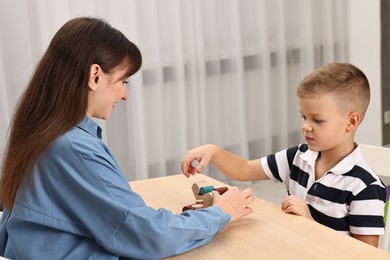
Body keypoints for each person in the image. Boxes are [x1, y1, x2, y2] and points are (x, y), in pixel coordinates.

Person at [0, 17, 254, 259]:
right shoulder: (73, 147)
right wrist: (221, 213)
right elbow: (148, 235)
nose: (124, 95)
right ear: (95, 76)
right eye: (123, 81)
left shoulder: (42, 130)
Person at [181, 63, 386, 247]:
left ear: (351, 122)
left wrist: (310, 224)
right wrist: (213, 151)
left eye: (317, 120)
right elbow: (243, 170)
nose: (305, 126)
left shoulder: (365, 188)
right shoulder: (298, 157)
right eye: (304, 116)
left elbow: (365, 255)